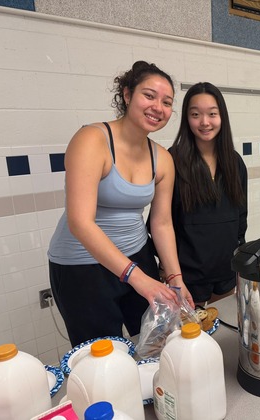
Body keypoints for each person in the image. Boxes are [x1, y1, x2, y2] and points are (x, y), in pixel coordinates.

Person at [48, 61, 193, 347]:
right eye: (149, 95)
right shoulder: (91, 140)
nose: (158, 107)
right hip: (82, 266)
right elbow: (80, 221)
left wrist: (175, 277)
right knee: (105, 354)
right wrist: (135, 278)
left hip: (138, 257)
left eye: (167, 102)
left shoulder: (162, 158)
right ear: (127, 95)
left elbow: (161, 223)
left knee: (158, 342)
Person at [168, 82, 248, 306]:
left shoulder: (234, 162)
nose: (204, 122)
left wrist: (240, 261)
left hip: (226, 272)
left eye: (212, 114)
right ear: (186, 118)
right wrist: (171, 273)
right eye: (195, 114)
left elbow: (241, 216)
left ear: (222, 116)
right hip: (187, 277)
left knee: (223, 332)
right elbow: (163, 222)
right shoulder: (173, 160)